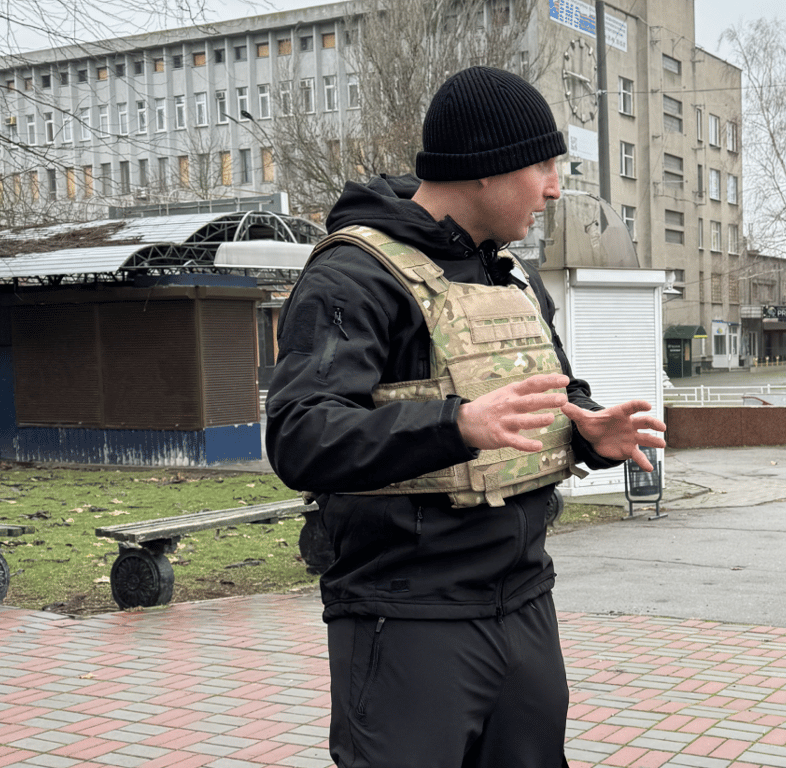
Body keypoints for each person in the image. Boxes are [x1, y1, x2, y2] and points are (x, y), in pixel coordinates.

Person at [265, 65, 666, 768]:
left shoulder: (510, 276)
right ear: (485, 166)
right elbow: (300, 435)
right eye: (543, 166)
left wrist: (589, 431)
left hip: (524, 605)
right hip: (408, 618)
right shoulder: (353, 277)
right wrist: (453, 426)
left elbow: (551, 394)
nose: (554, 188)